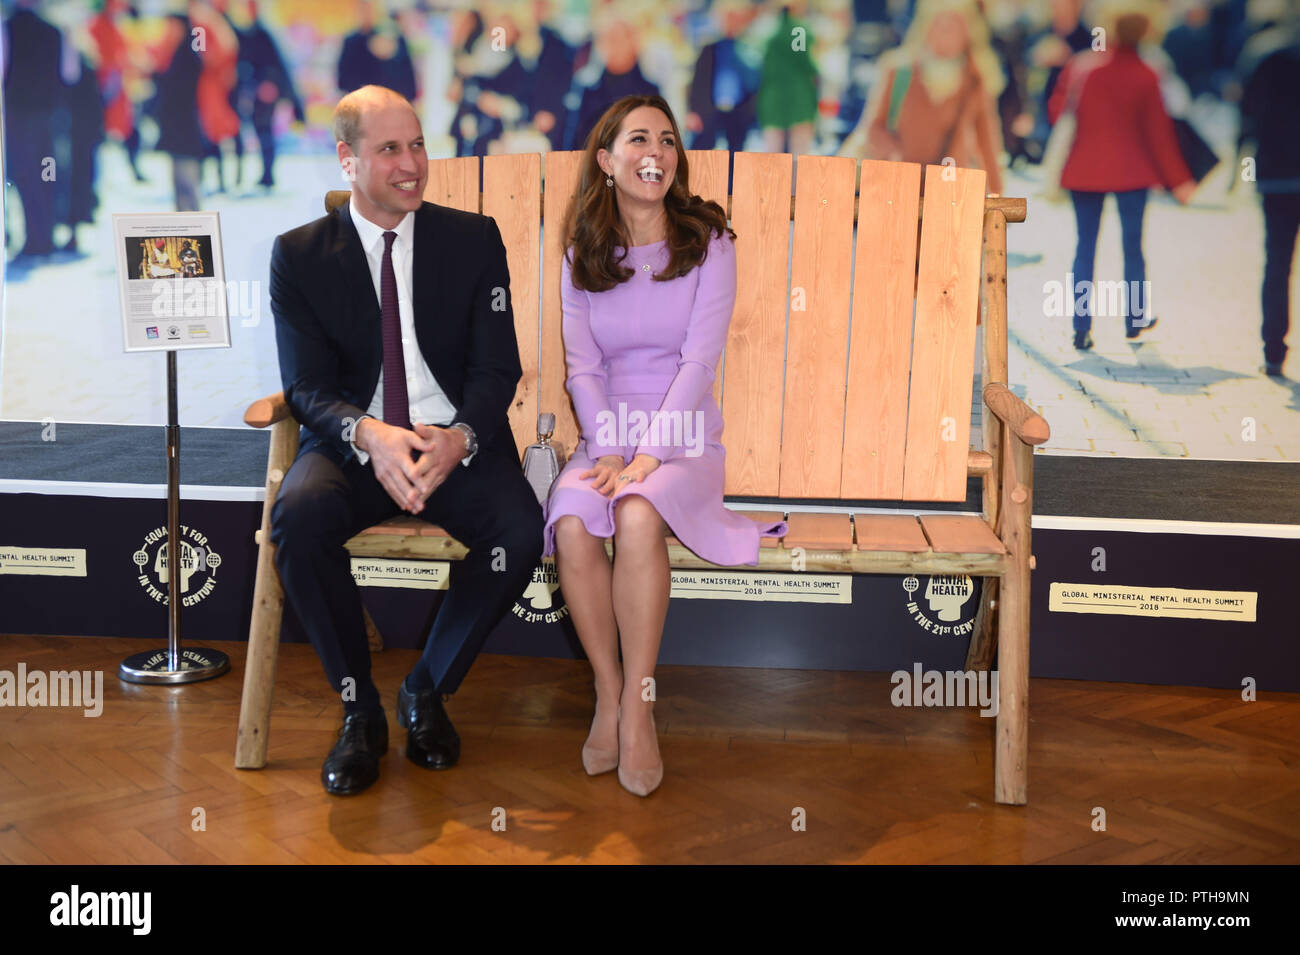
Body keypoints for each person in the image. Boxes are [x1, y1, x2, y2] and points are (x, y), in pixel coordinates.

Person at [268, 85, 543, 796]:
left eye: (417, 144)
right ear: (347, 160)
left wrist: (462, 437)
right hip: (357, 444)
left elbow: (496, 366)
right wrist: (368, 434)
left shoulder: (473, 239)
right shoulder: (298, 255)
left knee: (518, 527)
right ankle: (360, 709)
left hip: (452, 440)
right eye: (389, 148)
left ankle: (425, 689)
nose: (412, 163)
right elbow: (304, 387)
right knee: (298, 518)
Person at [542, 95, 788, 797]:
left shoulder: (709, 240)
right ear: (607, 160)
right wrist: (612, 452)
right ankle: (610, 692)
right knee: (572, 519)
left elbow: (699, 361)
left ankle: (642, 704)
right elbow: (583, 368)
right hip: (606, 434)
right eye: (639, 138)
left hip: (681, 436)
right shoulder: (582, 252)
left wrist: (646, 457)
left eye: (669, 141)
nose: (656, 151)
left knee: (639, 512)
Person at [1048, 2, 1194, 350]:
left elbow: (1057, 111)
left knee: (1085, 246)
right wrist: (1179, 181)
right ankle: (1135, 318)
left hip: (1084, 170)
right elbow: (1159, 134)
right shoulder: (1147, 74)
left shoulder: (1083, 67)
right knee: (1133, 248)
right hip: (1133, 172)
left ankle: (1081, 326)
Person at [840, 0, 1005, 196]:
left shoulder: (975, 79)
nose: (946, 33)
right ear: (925, 27)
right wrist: (896, 159)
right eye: (940, 25)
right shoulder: (898, 69)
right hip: (896, 186)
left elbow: (987, 142)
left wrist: (996, 194)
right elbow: (873, 127)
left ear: (968, 32)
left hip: (945, 189)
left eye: (954, 26)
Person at [1237, 10, 1300, 378]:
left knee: (1277, 263)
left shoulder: (1264, 51)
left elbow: (1247, 111)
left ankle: (1273, 349)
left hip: (1276, 173)